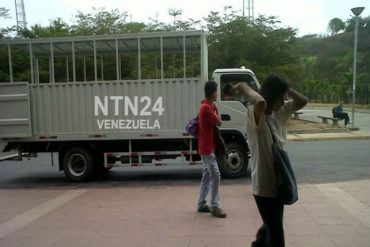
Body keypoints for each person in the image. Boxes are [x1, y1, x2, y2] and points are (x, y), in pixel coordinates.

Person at [233, 76, 308, 247]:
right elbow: (260, 102)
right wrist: (244, 87)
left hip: (279, 183)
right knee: (276, 236)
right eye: (280, 98)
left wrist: (285, 87)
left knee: (270, 227)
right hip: (265, 187)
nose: (284, 101)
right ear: (270, 96)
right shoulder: (254, 116)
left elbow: (303, 101)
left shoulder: (279, 113)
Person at [197, 80, 227, 218]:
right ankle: (215, 205)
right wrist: (216, 111)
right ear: (212, 92)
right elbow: (219, 122)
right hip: (207, 149)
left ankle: (202, 204)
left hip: (206, 147)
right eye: (216, 91)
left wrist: (215, 109)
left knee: (207, 175)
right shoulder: (207, 108)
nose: (218, 93)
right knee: (216, 175)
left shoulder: (206, 106)